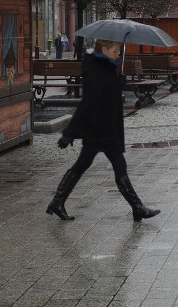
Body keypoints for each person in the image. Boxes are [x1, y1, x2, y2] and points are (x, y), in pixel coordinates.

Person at [47, 39, 160, 222]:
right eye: (115, 51)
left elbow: (106, 96)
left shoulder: (105, 67)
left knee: (85, 166)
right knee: (115, 167)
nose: (118, 55)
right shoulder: (96, 71)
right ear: (105, 49)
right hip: (100, 130)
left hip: (104, 129)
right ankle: (137, 207)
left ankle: (57, 202)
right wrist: (70, 133)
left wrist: (117, 83)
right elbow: (88, 104)